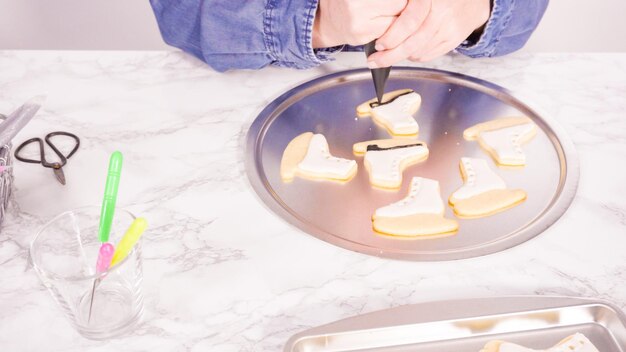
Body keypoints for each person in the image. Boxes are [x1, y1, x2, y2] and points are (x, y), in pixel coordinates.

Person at [149, 0, 548, 72]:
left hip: (454, 93)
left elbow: (528, 13)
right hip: (246, 98)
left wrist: (481, 7)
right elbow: (179, 12)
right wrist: (317, 21)